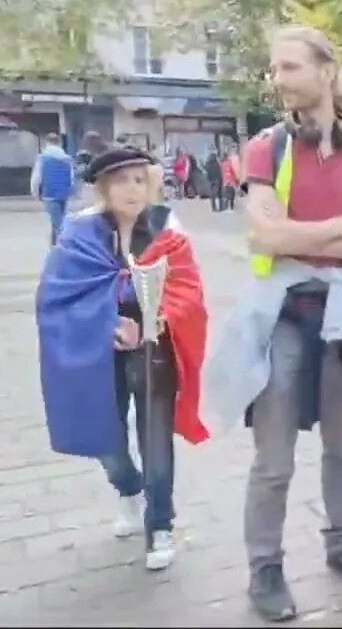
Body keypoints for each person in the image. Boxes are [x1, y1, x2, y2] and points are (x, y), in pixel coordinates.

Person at [200, 25, 342, 622]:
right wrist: (341, 230)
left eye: (290, 68)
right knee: (274, 460)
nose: (278, 80)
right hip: (282, 319)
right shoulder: (266, 149)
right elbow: (266, 234)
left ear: (327, 73)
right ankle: (265, 569)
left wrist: (306, 237)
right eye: (275, 69)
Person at [35, 146, 210, 572]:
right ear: (103, 188)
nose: (131, 190)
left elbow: (188, 288)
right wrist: (104, 324)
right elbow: (57, 296)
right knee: (105, 439)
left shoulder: (168, 225)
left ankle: (160, 524)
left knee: (156, 442)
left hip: (154, 349)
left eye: (139, 180)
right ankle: (127, 487)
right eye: (120, 181)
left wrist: (160, 319)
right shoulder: (79, 233)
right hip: (99, 351)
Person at [31, 133, 76, 245]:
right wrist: (70, 191)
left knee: (58, 223)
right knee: (58, 220)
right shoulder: (66, 158)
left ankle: (65, 245)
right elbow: (71, 177)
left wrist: (35, 193)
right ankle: (54, 243)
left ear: (47, 142)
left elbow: (37, 177)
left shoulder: (43, 158)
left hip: (49, 194)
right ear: (59, 143)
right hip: (63, 194)